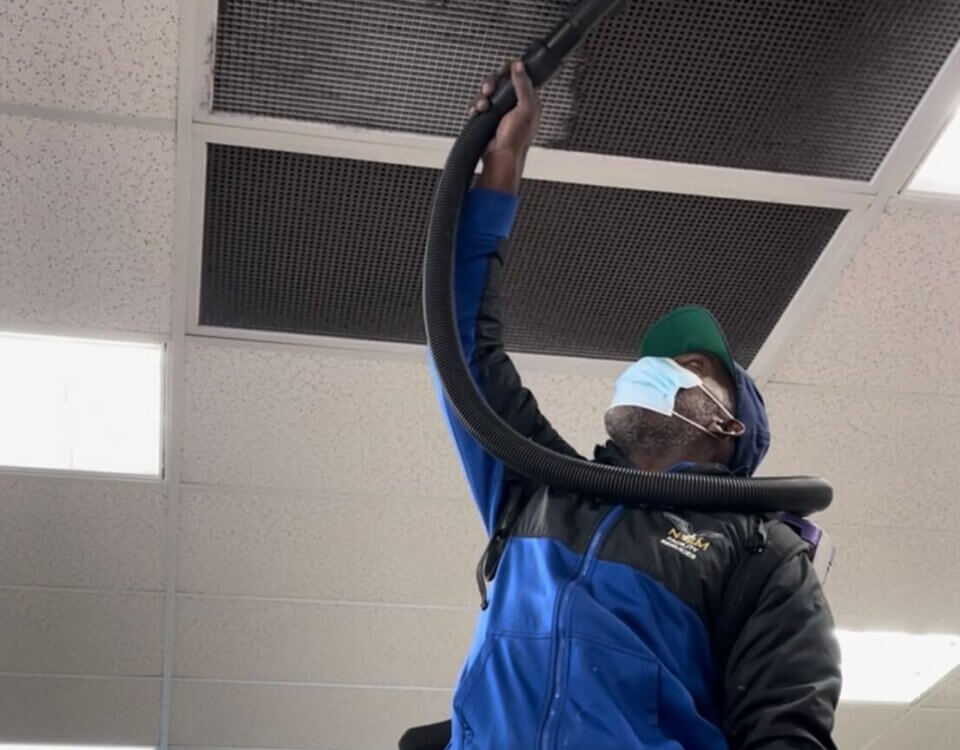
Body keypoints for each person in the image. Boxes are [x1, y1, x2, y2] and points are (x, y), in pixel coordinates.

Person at [423, 61, 841, 750]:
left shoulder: (758, 552)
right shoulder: (539, 489)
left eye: (690, 364)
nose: (650, 370)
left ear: (727, 422)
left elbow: (786, 734)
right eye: (649, 362)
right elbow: (460, 349)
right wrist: (499, 167)